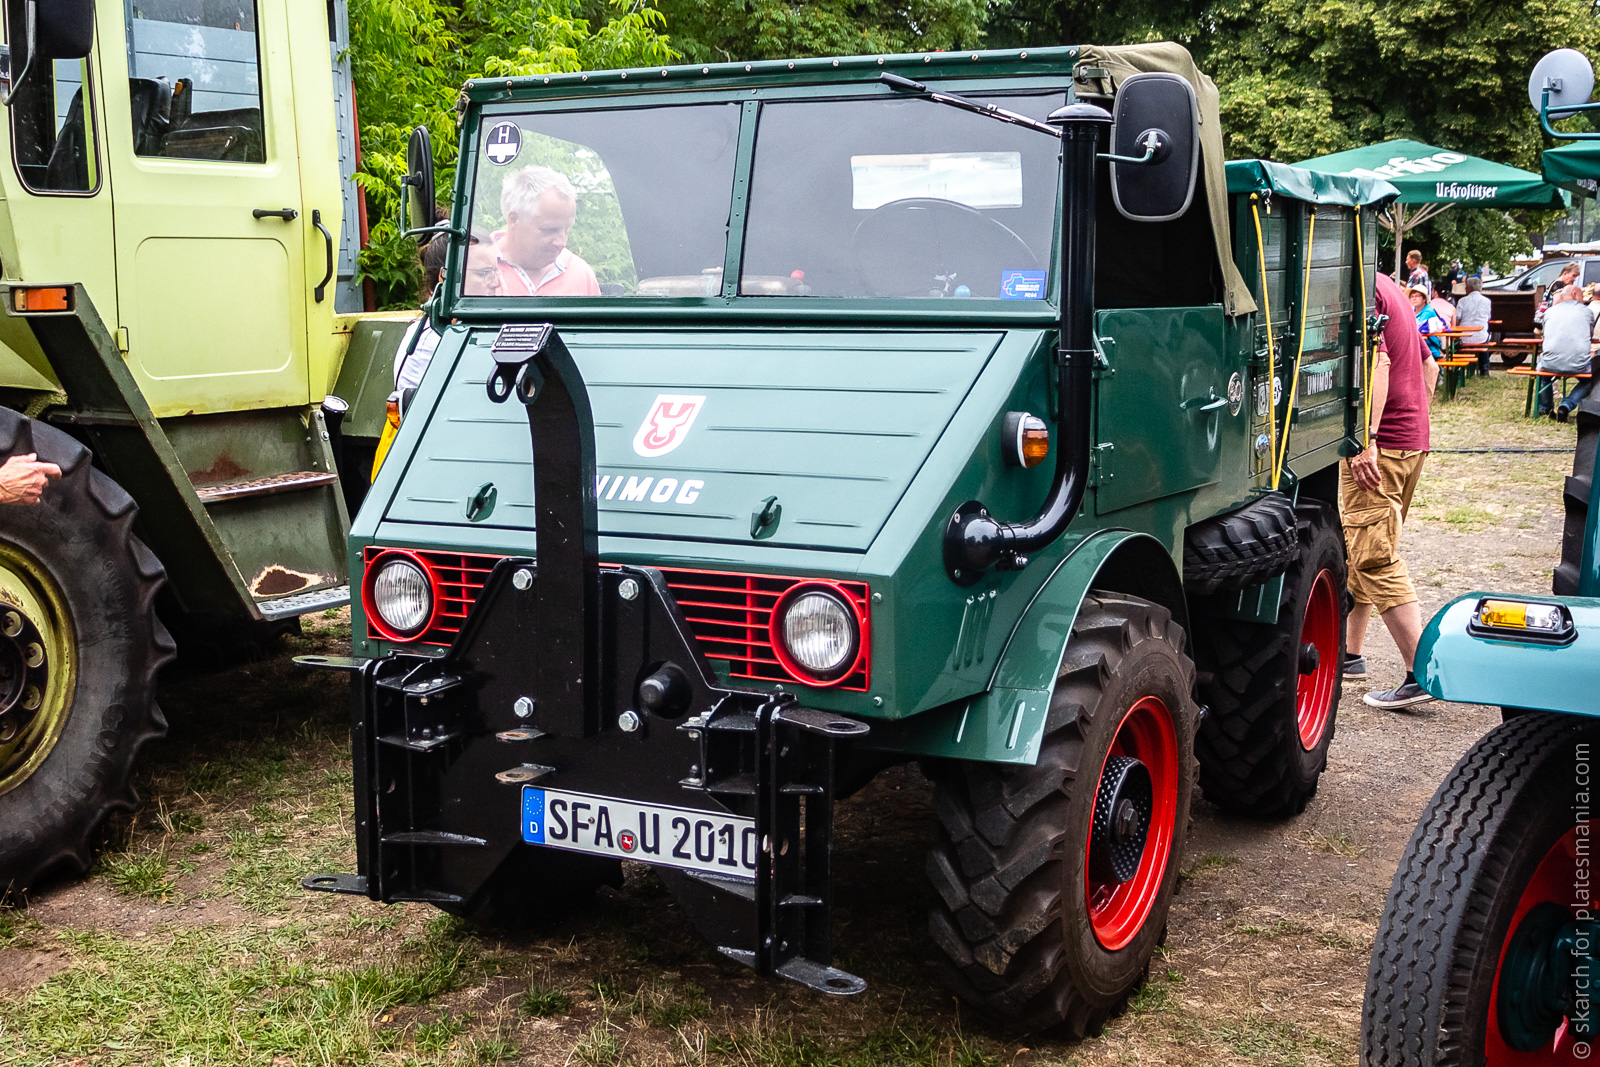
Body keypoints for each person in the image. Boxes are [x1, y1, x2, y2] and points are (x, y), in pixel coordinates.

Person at [1342, 271, 1439, 710]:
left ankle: (1422, 673)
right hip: (1411, 441)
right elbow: (1429, 366)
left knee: (1373, 555)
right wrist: (1415, 423)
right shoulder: (1390, 288)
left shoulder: (1360, 285)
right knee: (1363, 545)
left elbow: (1378, 364)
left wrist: (1368, 440)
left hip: (1384, 445)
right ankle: (1350, 654)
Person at [395, 230, 502, 392]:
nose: (495, 283)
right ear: (447, 278)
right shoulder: (433, 341)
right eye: (484, 273)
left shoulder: (459, 327)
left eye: (495, 272)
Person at [493, 165, 601, 297]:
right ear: (514, 219)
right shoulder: (474, 269)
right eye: (550, 230)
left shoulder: (581, 274)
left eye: (567, 230)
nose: (562, 242)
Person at [1535, 284, 1593, 418]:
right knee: (1592, 379)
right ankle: (1567, 405)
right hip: (1579, 364)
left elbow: (1545, 333)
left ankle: (1546, 408)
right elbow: (1589, 334)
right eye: (1582, 296)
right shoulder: (1586, 312)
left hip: (1550, 363)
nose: (1583, 300)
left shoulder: (1549, 312)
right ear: (1574, 295)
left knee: (1544, 374)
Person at [1455, 276, 1493, 375]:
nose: (1465, 289)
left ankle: (1458, 368)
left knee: (1456, 343)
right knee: (1485, 339)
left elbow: (1457, 320)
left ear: (1470, 288)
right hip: (1481, 337)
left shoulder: (1462, 301)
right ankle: (1484, 368)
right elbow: (1488, 318)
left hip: (1464, 338)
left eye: (1466, 287)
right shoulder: (1487, 301)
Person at [1409, 286, 1447, 359]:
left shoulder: (1428, 311)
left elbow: (1418, 327)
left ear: (1424, 299)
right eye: (1412, 296)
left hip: (1430, 348)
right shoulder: (1412, 311)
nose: (1414, 298)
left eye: (1417, 296)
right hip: (1420, 346)